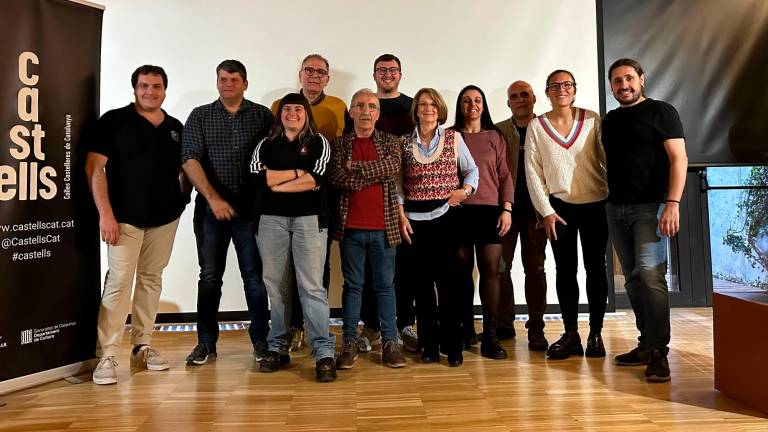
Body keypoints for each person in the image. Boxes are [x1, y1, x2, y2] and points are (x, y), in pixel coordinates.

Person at [87, 65, 188, 384]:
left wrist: (181, 201)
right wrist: (105, 214)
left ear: (164, 89)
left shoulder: (175, 127)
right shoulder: (114, 121)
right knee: (118, 282)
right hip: (123, 219)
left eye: (156, 86)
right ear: (135, 89)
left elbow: (184, 170)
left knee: (150, 279)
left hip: (164, 219)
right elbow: (95, 169)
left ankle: (142, 346)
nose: (150, 91)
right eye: (144, 86)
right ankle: (107, 354)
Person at [181, 60, 273, 366]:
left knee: (254, 278)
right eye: (223, 79)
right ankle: (206, 343)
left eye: (234, 79)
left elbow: (273, 159)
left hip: (250, 214)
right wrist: (213, 198)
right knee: (209, 278)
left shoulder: (262, 115)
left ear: (245, 83)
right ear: (217, 82)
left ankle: (261, 341)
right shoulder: (200, 116)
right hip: (210, 211)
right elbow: (190, 159)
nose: (228, 84)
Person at [603, 58, 687, 382]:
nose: (623, 85)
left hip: (650, 208)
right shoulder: (610, 120)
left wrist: (673, 203)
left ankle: (659, 353)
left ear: (641, 79)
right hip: (616, 209)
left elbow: (679, 158)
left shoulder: (662, 112)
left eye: (628, 78)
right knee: (634, 280)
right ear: (611, 86)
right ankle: (646, 343)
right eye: (617, 81)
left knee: (651, 278)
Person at [250, 92, 337, 382]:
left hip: (309, 221)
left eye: (298, 109)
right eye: (287, 109)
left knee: (311, 287)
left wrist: (276, 183)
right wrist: (298, 173)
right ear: (280, 114)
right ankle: (277, 346)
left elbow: (317, 178)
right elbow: (255, 179)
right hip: (270, 222)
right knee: (276, 286)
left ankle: (323, 351)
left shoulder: (318, 143)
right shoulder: (266, 144)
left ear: (306, 115)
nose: (292, 113)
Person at [525, 70, 609, 360]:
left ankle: (596, 333)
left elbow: (606, 158)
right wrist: (545, 211)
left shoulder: (592, 119)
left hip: (595, 203)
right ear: (546, 92)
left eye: (567, 85)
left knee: (596, 269)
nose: (561, 89)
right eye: (555, 86)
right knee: (565, 270)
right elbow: (533, 173)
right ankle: (571, 333)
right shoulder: (537, 126)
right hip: (559, 209)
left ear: (574, 90)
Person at [271, 54, 347, 351]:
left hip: (321, 198)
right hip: (281, 200)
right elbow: (273, 147)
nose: (314, 76)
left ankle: (312, 328)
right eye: (309, 70)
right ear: (299, 74)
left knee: (318, 267)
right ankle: (291, 327)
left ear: (327, 78)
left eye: (321, 72)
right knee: (285, 269)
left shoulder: (339, 106)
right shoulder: (281, 105)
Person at [398, 88, 479, 367]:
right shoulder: (403, 143)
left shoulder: (454, 139)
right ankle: (428, 345)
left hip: (447, 217)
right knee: (421, 286)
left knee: (449, 285)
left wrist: (464, 191)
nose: (428, 108)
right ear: (416, 110)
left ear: (440, 109)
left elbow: (471, 170)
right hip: (415, 222)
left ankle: (452, 345)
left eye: (433, 104)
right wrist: (400, 215)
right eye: (422, 104)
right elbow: (397, 185)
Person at [331, 89, 406, 369]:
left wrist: (356, 168)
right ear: (351, 112)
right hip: (350, 228)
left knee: (386, 287)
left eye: (371, 106)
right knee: (353, 287)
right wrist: (367, 174)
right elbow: (337, 176)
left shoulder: (389, 142)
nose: (365, 111)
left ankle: (390, 343)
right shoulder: (339, 144)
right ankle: (348, 342)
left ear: (378, 113)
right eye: (360, 106)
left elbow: (391, 167)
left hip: (385, 227)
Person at [357, 53, 418, 353]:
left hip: (406, 195)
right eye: (382, 70)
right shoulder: (361, 106)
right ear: (374, 74)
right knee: (371, 267)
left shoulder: (411, 107)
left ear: (401, 74)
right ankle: (371, 326)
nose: (387, 74)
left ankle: (405, 323)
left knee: (404, 265)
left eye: (393, 70)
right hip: (368, 196)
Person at [451, 85, 514, 360]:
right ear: (460, 105)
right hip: (459, 212)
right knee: (461, 272)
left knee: (490, 270)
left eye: (477, 100)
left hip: (490, 210)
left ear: (484, 105)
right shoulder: (450, 136)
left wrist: (507, 209)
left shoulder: (495, 136)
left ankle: (489, 335)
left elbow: (505, 176)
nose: (472, 105)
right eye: (466, 100)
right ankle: (465, 330)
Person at [495, 80, 550, 351]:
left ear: (534, 98)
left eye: (524, 94)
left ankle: (537, 326)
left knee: (535, 269)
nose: (520, 99)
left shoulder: (546, 128)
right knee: (501, 268)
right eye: (514, 96)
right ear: (508, 103)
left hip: (537, 213)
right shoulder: (498, 131)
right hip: (505, 211)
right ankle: (504, 324)